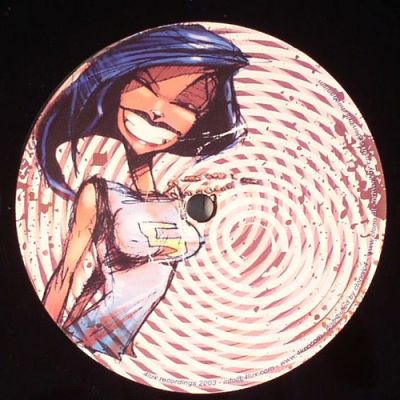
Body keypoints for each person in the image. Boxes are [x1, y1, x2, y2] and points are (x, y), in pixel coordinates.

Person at [36, 24, 248, 358]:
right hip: (88, 341)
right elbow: (67, 273)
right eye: (147, 86)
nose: (158, 111)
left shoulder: (171, 198)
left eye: (189, 103)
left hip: (119, 352)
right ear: (121, 84)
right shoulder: (100, 193)